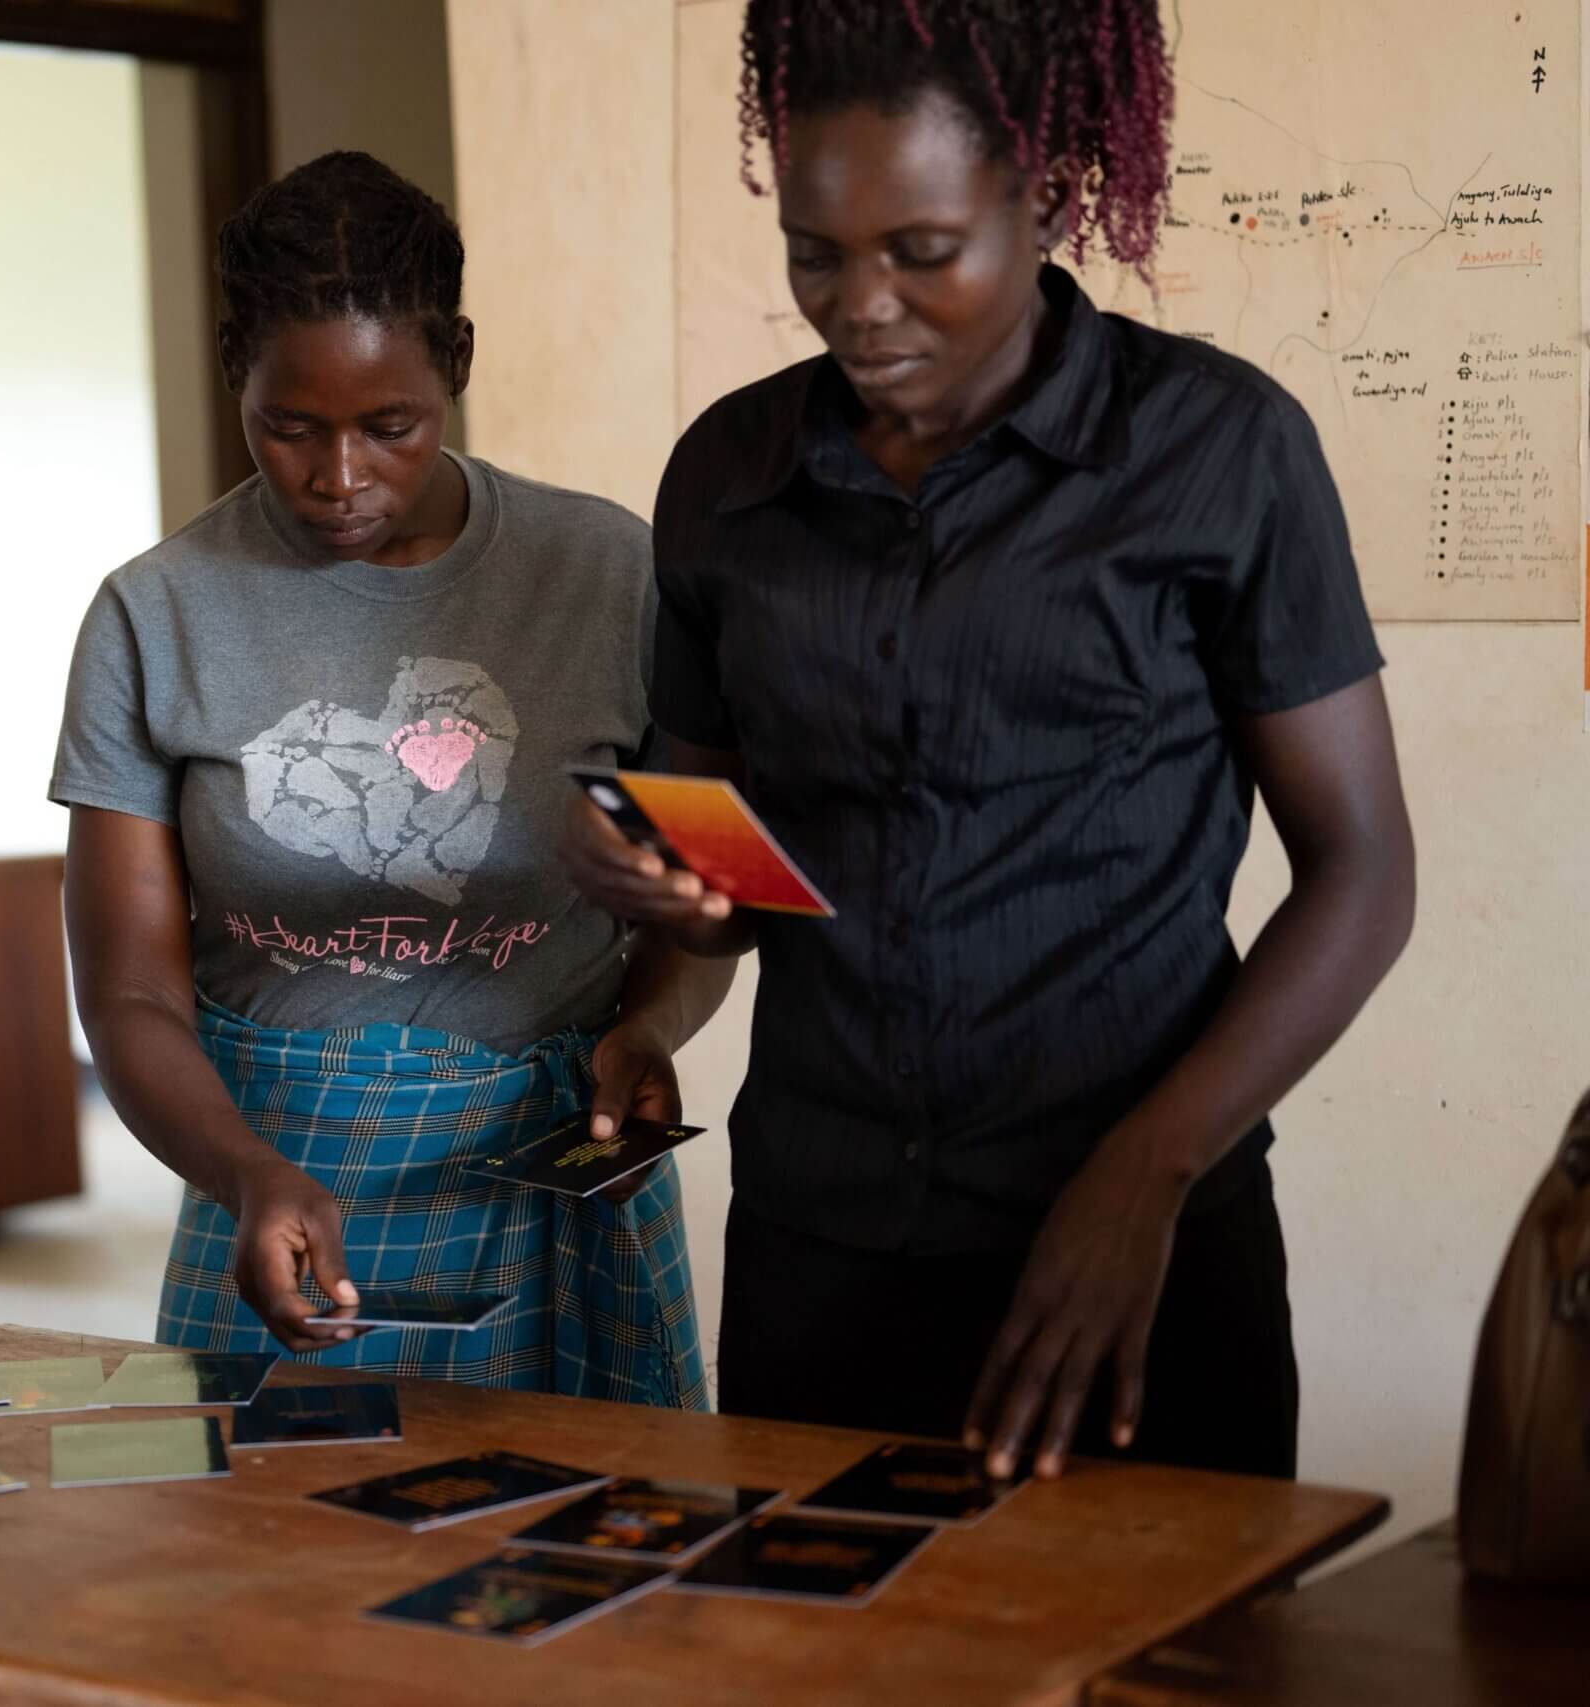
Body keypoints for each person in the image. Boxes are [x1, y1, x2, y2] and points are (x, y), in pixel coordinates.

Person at [566, 0, 1416, 1482]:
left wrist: (1144, 1175)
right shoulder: (726, 478)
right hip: (815, 1252)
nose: (861, 307)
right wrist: (657, 982)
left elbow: (1364, 870)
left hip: (1132, 1252)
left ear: (1042, 198)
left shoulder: (1221, 451)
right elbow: (729, 883)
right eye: (816, 254)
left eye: (922, 251)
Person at [54, 152, 722, 1406]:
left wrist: (649, 1028)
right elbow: (132, 993)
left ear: (455, 362)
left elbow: (704, 892)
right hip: (269, 1179)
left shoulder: (610, 576)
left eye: (389, 427)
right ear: (231, 373)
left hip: (553, 1161)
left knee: (598, 1564)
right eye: (290, 428)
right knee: (272, 1573)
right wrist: (246, 1170)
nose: (339, 477)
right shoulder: (155, 618)